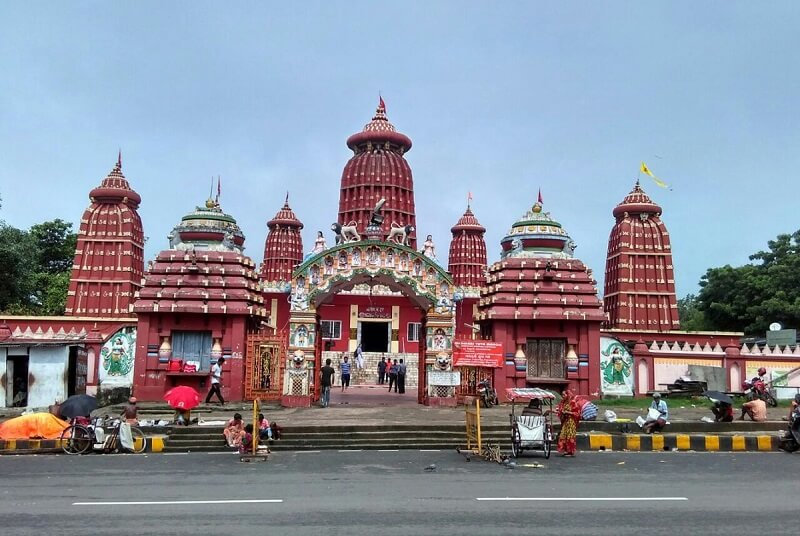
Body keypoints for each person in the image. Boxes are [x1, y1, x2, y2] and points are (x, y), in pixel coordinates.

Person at [556, 390, 581, 456]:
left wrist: (568, 412)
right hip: (565, 421)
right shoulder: (563, 402)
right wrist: (559, 411)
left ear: (568, 395)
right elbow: (560, 410)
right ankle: (566, 450)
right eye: (562, 395)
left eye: (564, 395)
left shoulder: (573, 402)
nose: (563, 396)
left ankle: (570, 451)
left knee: (570, 436)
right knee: (563, 435)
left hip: (571, 422)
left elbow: (577, 413)